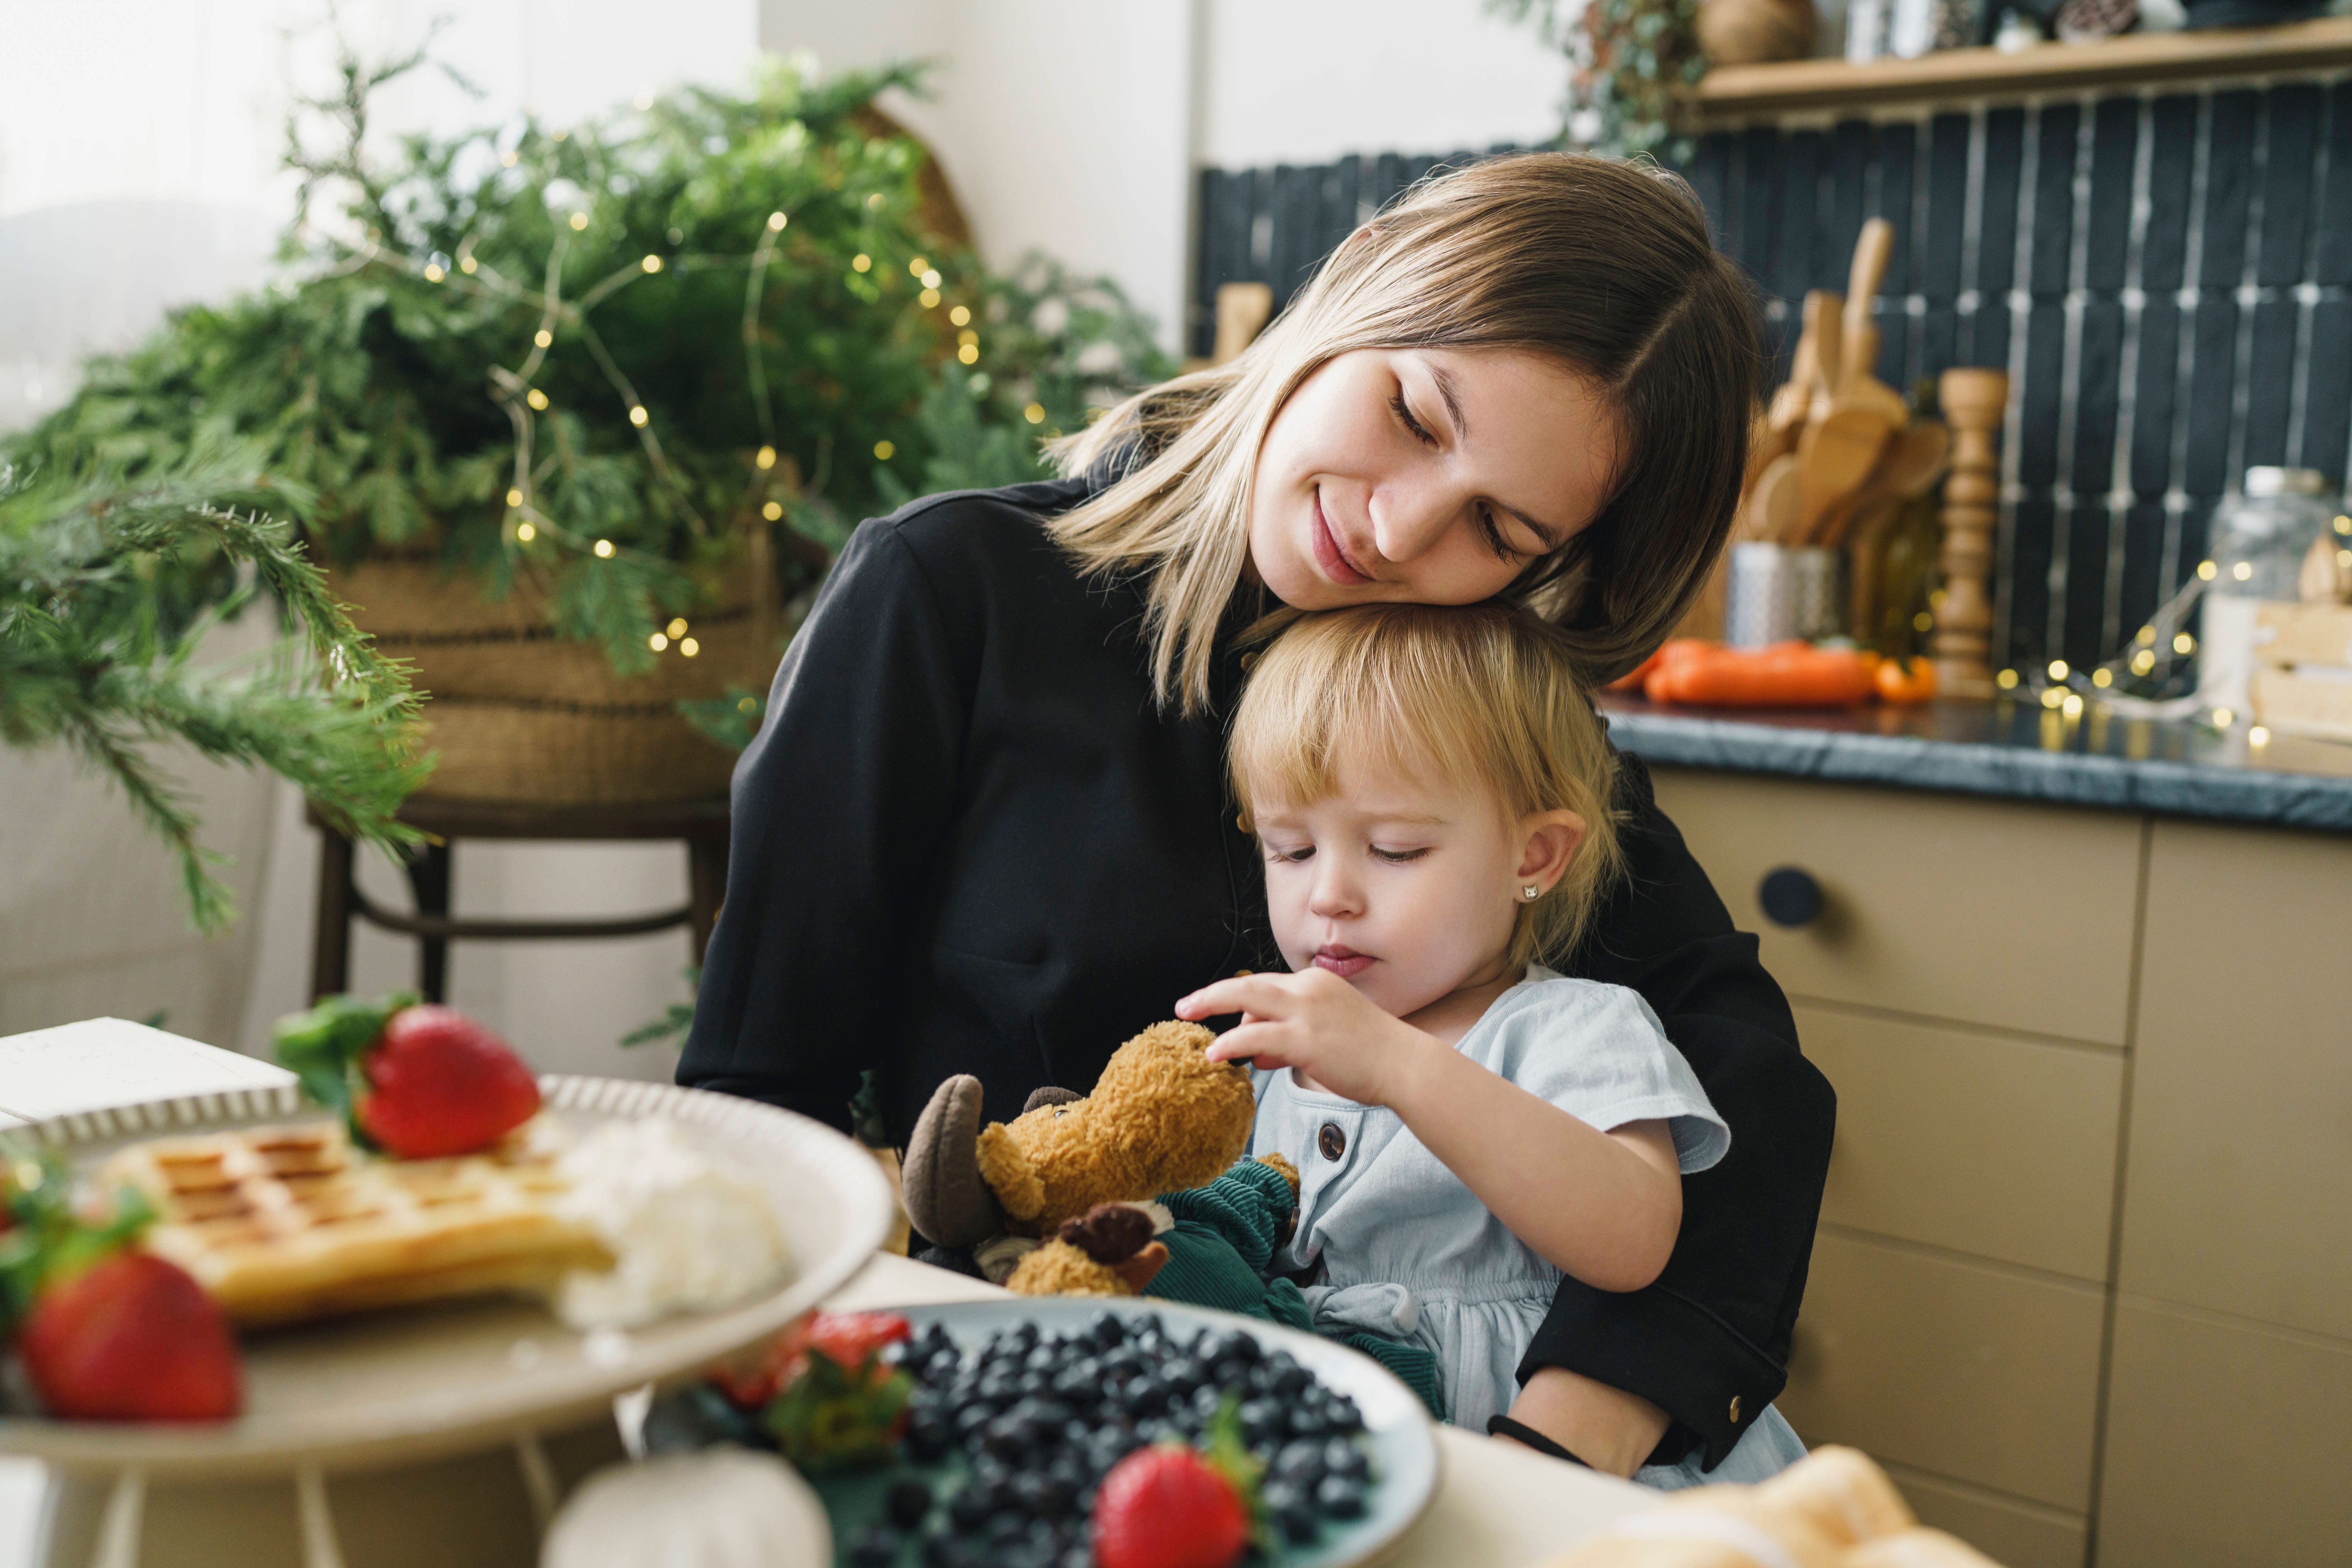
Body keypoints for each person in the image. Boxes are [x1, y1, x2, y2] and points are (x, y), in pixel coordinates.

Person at [680, 151, 1835, 1478]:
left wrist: (1562, 1446)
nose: (1401, 530)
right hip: (1013, 1419)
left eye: (1500, 531)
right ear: (1360, 279)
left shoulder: (1480, 707)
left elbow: (1744, 1073)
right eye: (1414, 415)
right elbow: (755, 1112)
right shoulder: (943, 595)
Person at [1174, 602, 1806, 1487]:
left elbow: (1634, 1240)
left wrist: (1398, 1064)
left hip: (1571, 1496)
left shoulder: (1575, 1027)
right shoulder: (1274, 1058)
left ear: (1533, 857)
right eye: (1292, 849)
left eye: (1396, 850)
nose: (1329, 895)